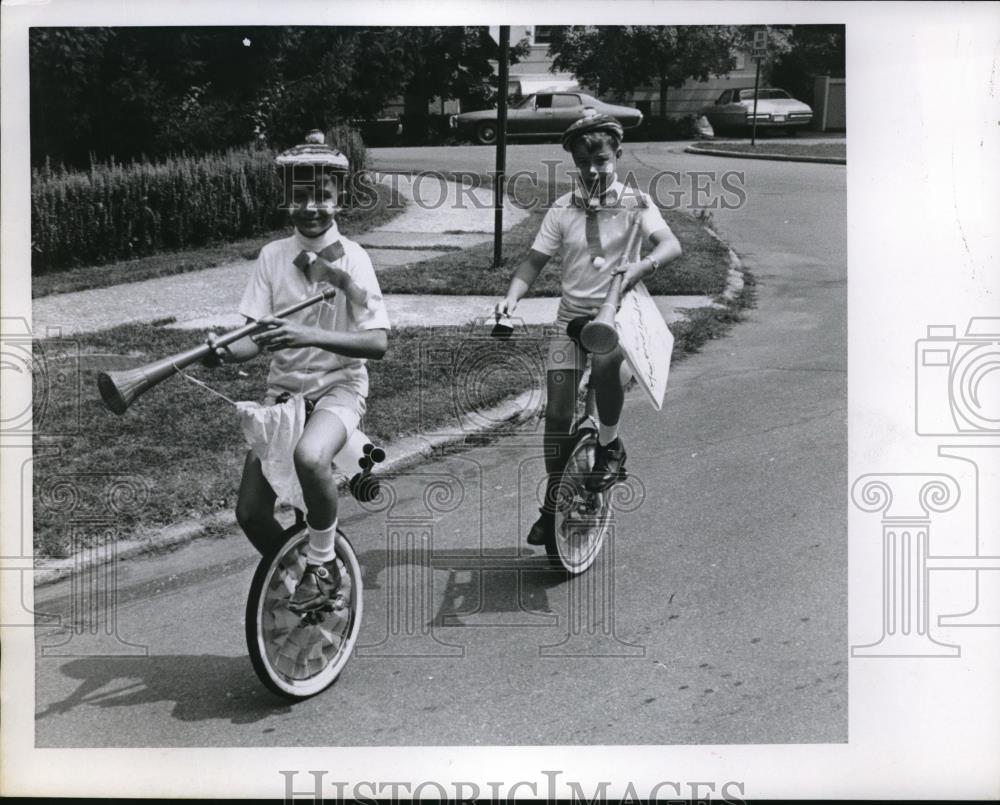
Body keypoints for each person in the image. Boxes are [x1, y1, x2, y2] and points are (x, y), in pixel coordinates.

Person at [203, 130, 390, 611]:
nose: (312, 207)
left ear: (338, 198)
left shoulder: (355, 259)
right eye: (301, 195)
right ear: (288, 197)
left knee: (310, 457)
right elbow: (250, 339)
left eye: (322, 196)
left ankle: (324, 563)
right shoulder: (271, 256)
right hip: (283, 396)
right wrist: (221, 352)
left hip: (339, 390)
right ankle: (295, 579)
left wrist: (308, 335)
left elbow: (377, 342)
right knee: (249, 511)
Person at [495, 113, 682, 547]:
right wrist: (512, 296)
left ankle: (611, 444)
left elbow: (671, 245)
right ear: (574, 165)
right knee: (557, 415)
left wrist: (641, 266)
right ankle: (555, 498)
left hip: (617, 314)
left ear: (617, 154)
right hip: (571, 319)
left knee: (604, 364)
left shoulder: (636, 202)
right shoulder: (563, 208)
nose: (593, 170)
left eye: (601, 160)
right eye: (583, 163)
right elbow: (534, 261)